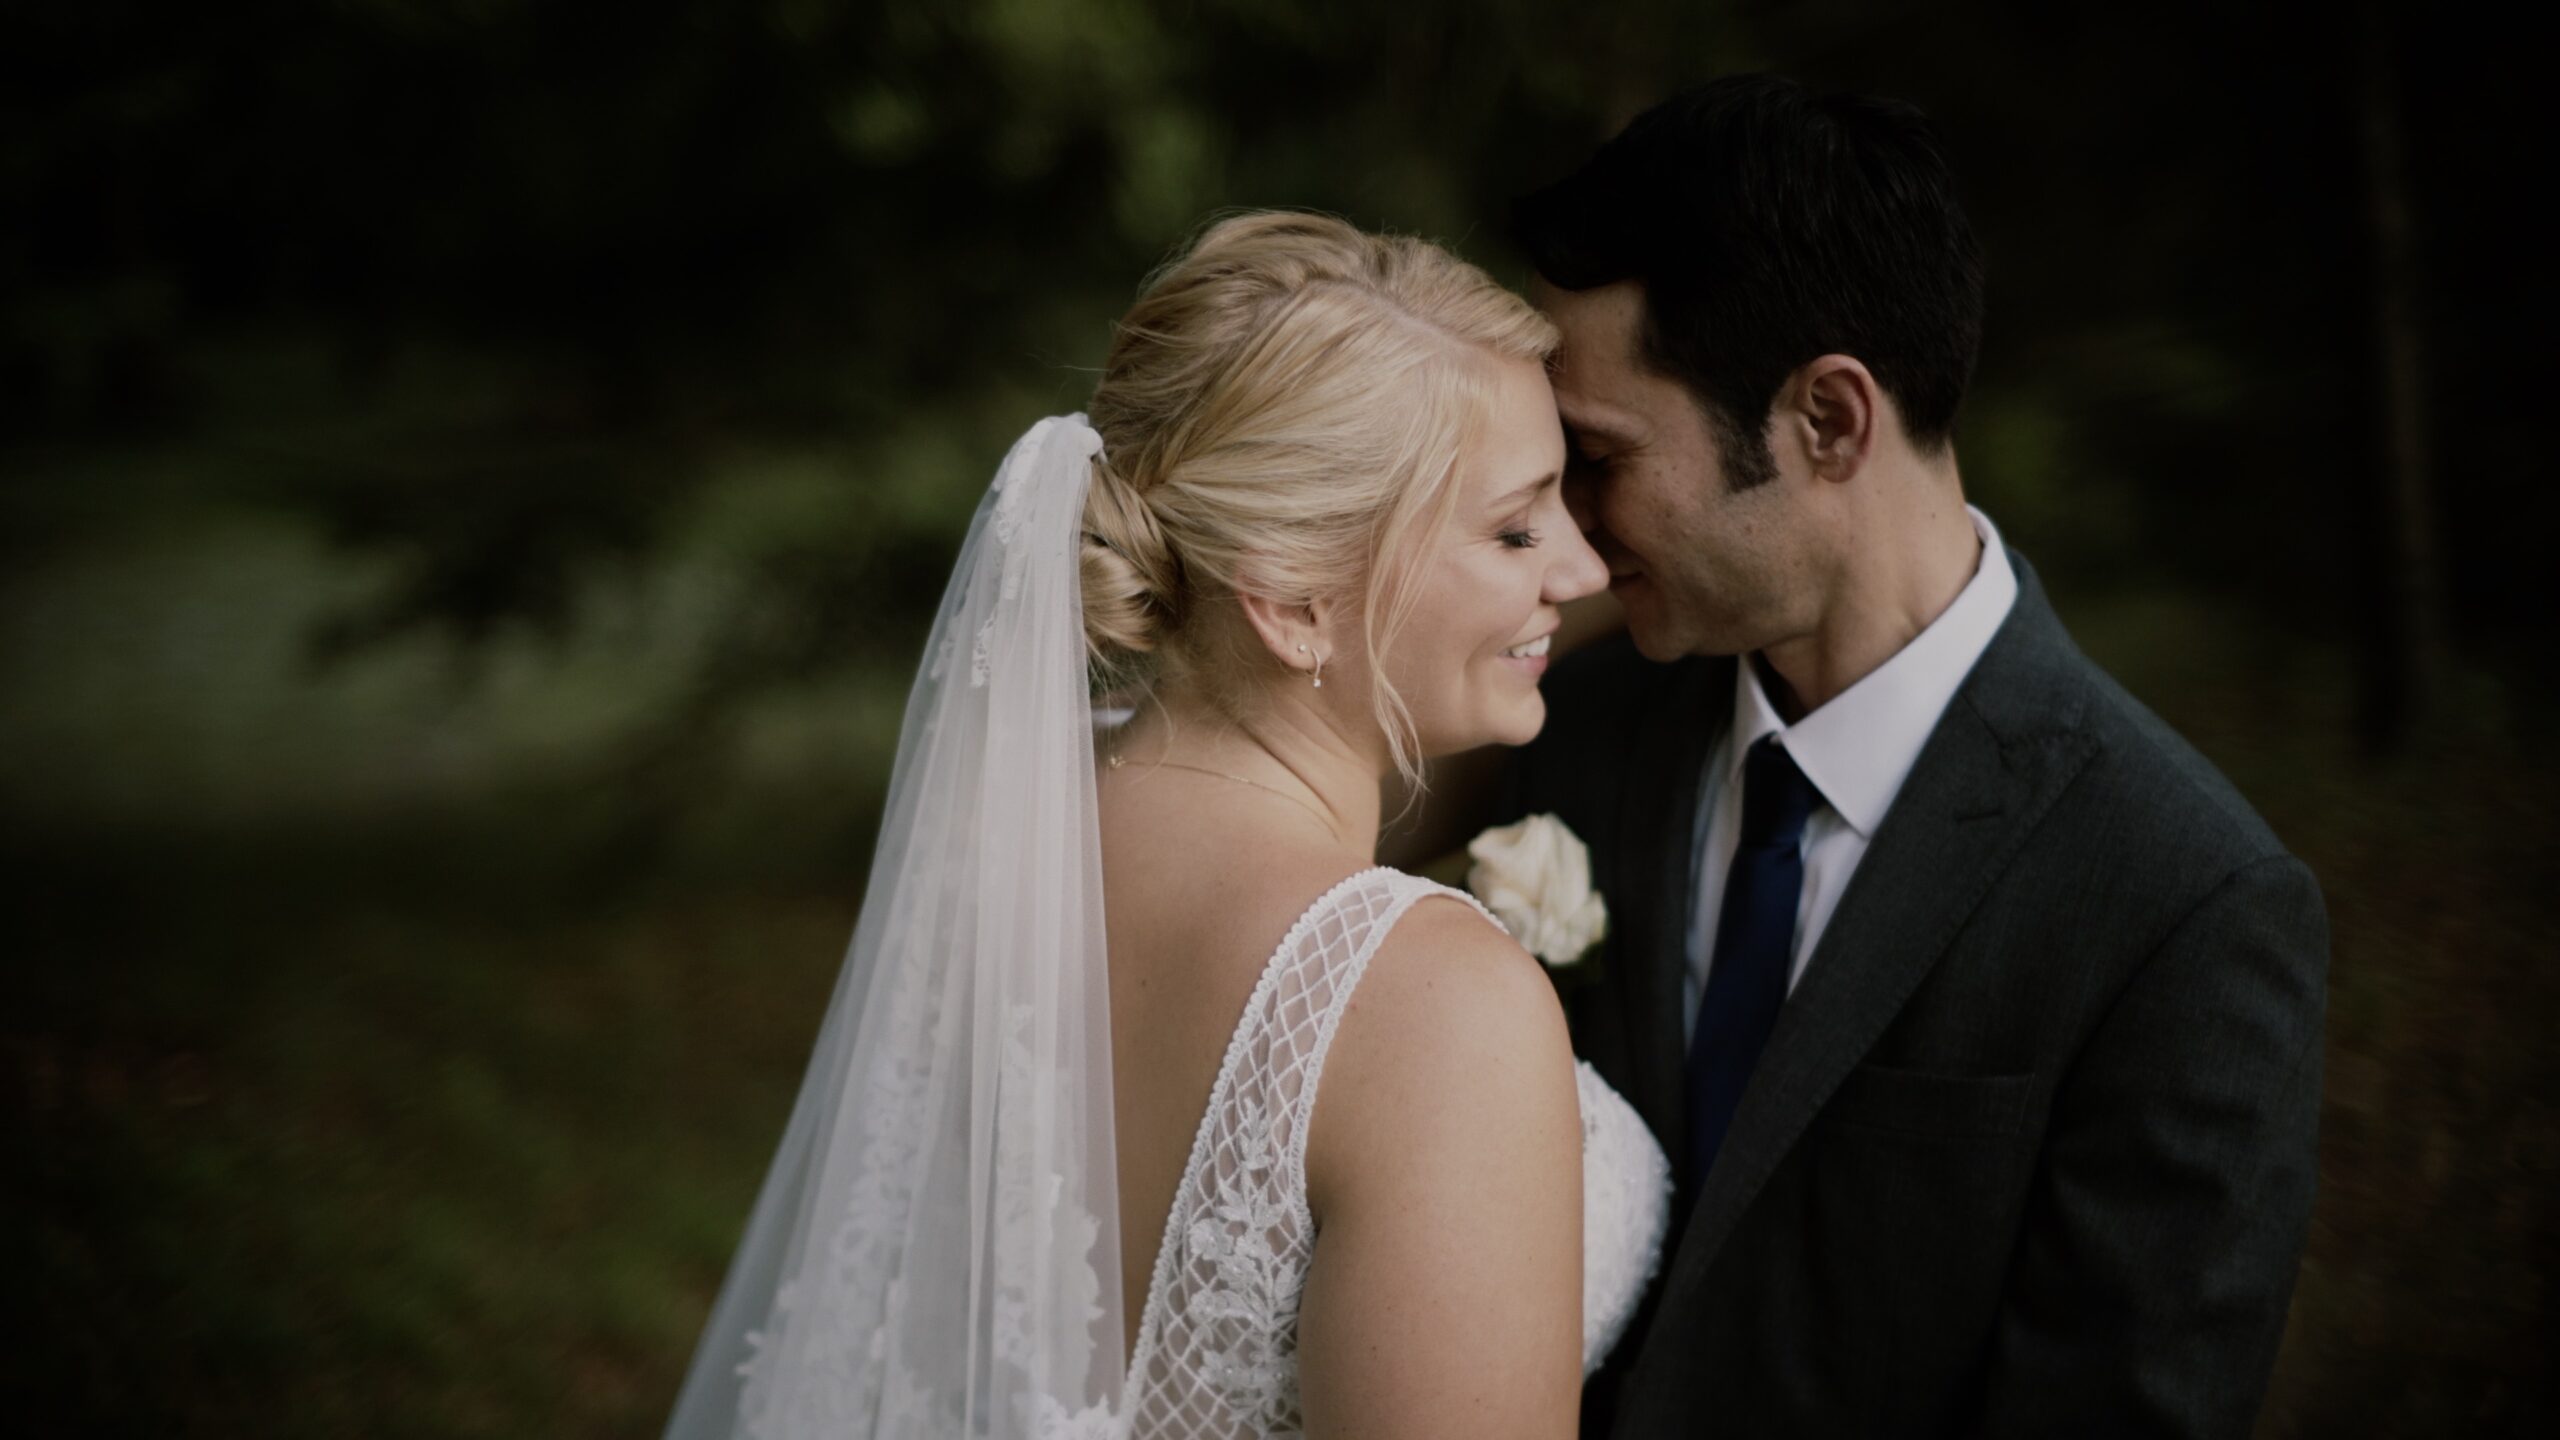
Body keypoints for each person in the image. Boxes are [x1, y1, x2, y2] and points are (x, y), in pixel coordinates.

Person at [663, 211, 1670, 1440]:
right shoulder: (1435, 1006)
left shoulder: (1016, 813)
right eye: (1515, 527)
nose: (1578, 569)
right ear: (1295, 601)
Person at [1492, 75, 2331, 1437]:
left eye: (1600, 459)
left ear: (1829, 420)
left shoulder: (2184, 903)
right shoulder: (1569, 738)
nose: (1573, 537)